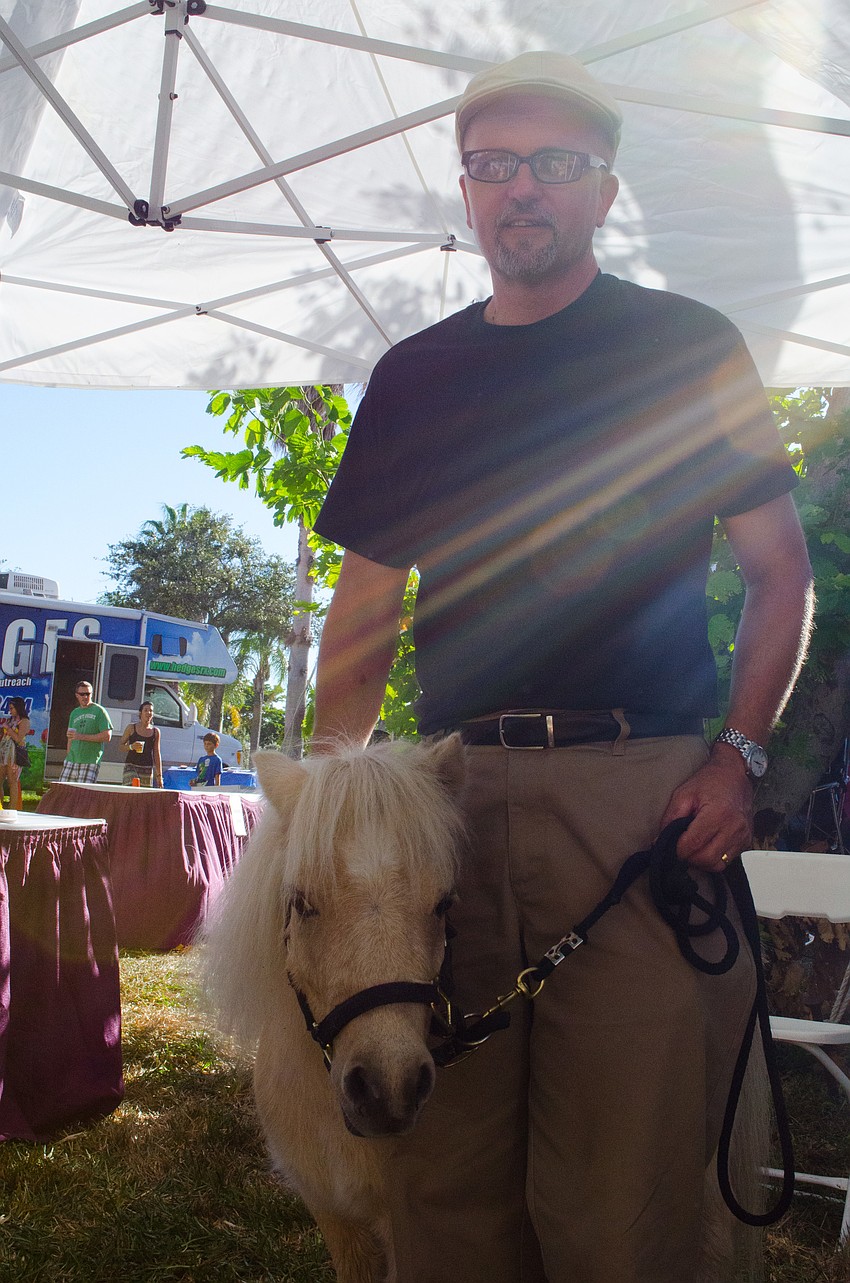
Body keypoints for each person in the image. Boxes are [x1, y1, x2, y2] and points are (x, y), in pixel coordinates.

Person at [310, 50, 815, 1283]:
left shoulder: (685, 346)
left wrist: (739, 755)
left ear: (603, 190)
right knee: (444, 1177)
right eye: (492, 166)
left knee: (621, 1190)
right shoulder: (412, 373)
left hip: (639, 798)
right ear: (468, 193)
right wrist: (331, 797)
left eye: (553, 164)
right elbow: (365, 610)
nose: (519, 188)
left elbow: (778, 575)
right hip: (451, 804)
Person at [60, 681, 113, 784]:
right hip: (71, 761)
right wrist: (68, 756)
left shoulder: (99, 711)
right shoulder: (74, 713)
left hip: (90, 762)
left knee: (83, 795)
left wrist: (81, 736)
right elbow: (70, 737)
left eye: (88, 694)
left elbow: (107, 736)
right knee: (64, 793)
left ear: (91, 694)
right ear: (77, 695)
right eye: (82, 694)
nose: (85, 697)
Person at [120, 700, 164, 787]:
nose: (148, 712)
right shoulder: (131, 728)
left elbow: (156, 754)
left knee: (143, 796)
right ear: (140, 713)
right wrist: (131, 747)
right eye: (146, 710)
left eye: (151, 710)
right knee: (131, 789)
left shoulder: (155, 732)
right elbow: (121, 746)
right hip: (131, 766)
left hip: (147, 768)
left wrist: (159, 776)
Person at [0, 697, 32, 809]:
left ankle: (12, 808)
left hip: (15, 753)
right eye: (9, 708)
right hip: (4, 751)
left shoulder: (25, 721)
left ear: (18, 707)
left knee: (12, 781)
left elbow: (19, 739)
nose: (10, 710)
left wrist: (8, 729)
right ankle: (1, 806)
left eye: (12, 708)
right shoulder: (9, 720)